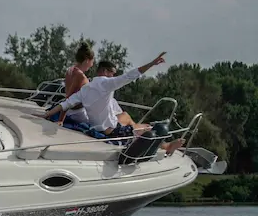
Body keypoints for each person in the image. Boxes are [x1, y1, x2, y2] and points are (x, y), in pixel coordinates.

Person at [43, 52, 185, 155]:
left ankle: (162, 143)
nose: (114, 76)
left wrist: (46, 114)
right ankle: (166, 147)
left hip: (98, 128)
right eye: (113, 73)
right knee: (147, 128)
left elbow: (65, 104)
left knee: (126, 116)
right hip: (111, 131)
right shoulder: (107, 84)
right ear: (105, 71)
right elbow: (130, 76)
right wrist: (152, 63)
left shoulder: (85, 89)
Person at [58, 42, 95, 126]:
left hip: (72, 111)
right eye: (92, 61)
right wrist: (61, 120)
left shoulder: (70, 70)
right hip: (77, 113)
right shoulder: (80, 76)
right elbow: (69, 97)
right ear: (87, 60)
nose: (92, 64)